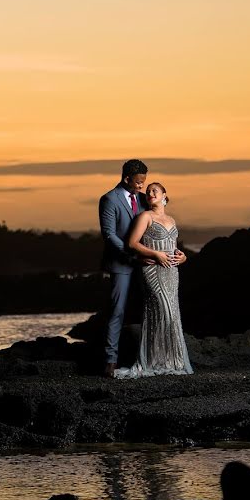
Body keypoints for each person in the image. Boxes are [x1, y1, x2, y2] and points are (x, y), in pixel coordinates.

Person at [114, 182, 193, 378]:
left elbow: (174, 247)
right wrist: (155, 254)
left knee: (173, 315)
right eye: (148, 191)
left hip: (172, 271)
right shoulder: (145, 216)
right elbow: (132, 243)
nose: (150, 193)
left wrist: (183, 257)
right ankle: (151, 361)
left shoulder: (172, 220)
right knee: (161, 310)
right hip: (152, 270)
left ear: (165, 194)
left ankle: (171, 361)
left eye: (154, 190)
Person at [98, 159, 150, 378]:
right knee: (117, 311)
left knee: (148, 309)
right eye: (138, 182)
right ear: (127, 178)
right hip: (121, 264)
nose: (141, 187)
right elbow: (109, 234)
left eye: (143, 182)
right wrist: (133, 254)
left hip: (146, 263)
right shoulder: (109, 199)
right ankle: (110, 361)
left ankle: (146, 357)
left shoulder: (143, 199)